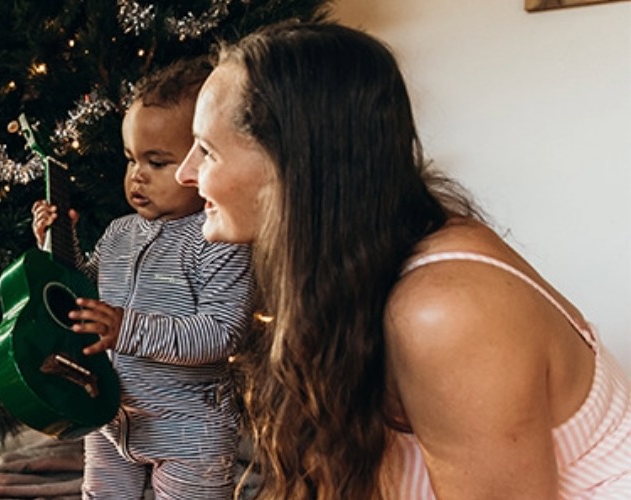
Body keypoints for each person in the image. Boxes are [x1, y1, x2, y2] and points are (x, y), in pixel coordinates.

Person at [173, 21, 631, 499]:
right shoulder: (361, 259)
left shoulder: (445, 311)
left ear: (294, 167)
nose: (186, 173)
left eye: (206, 150)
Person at [31, 56, 256, 499]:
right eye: (131, 159)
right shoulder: (119, 233)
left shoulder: (220, 239)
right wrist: (56, 244)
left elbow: (220, 333)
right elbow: (87, 294)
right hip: (111, 415)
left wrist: (126, 329)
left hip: (189, 432)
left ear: (203, 160)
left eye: (157, 162)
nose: (137, 176)